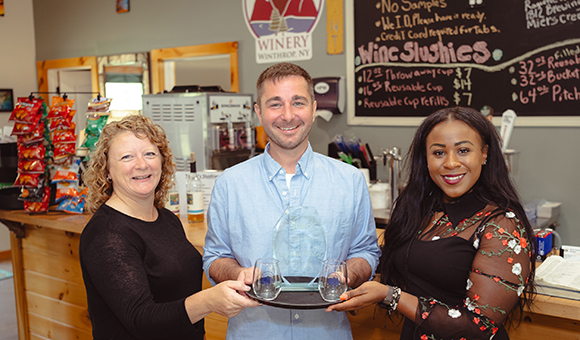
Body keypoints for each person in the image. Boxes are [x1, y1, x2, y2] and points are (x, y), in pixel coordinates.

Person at [203, 62, 381, 340]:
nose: (287, 115)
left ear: (312, 107)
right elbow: (215, 257)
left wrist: (348, 274)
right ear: (258, 112)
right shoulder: (229, 184)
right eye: (275, 104)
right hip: (255, 332)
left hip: (328, 333)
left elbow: (367, 251)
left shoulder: (351, 181)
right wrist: (238, 273)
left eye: (297, 102)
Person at [327, 106, 536, 340]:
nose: (451, 163)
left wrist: (390, 295)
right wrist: (353, 271)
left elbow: (478, 327)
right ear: (425, 158)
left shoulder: (501, 225)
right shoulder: (422, 209)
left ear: (484, 153)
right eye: (438, 153)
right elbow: (399, 260)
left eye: (463, 150)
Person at [79, 114, 259, 340]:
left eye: (149, 154)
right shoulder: (107, 235)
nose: (141, 164)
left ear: (162, 161)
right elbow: (141, 320)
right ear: (106, 169)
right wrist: (209, 301)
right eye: (127, 157)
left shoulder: (166, 218)